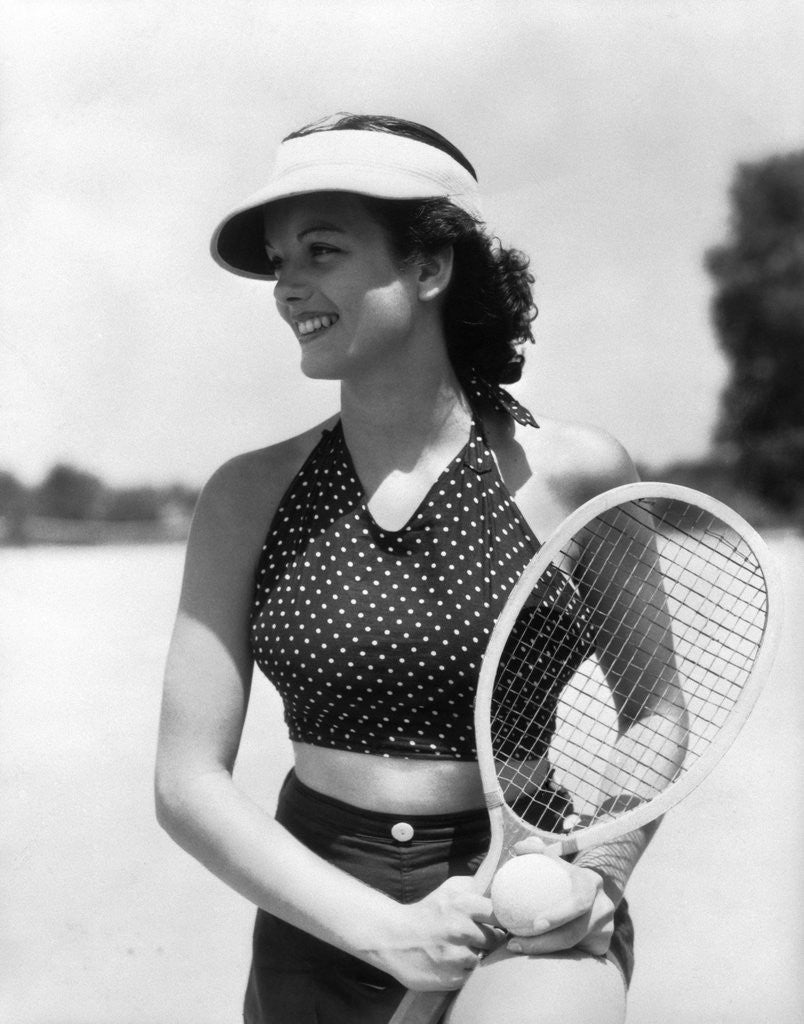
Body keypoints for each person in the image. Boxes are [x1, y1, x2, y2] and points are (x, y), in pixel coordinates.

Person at [155, 113, 655, 1024]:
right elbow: (188, 783)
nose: (288, 286)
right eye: (279, 261)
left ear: (429, 267)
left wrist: (604, 871)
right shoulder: (247, 494)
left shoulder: (576, 475)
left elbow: (656, 708)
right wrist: (383, 930)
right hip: (315, 901)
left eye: (322, 251)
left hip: (526, 892)